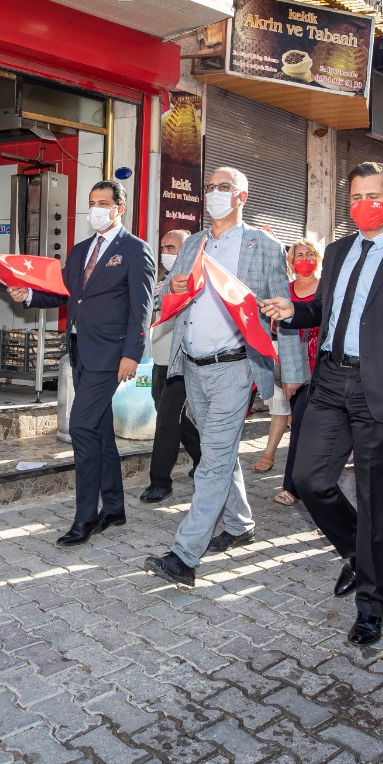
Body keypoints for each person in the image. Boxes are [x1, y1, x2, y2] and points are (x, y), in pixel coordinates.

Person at [260, 162, 383, 646]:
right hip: (330, 380)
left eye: (372, 196)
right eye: (355, 195)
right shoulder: (337, 250)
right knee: (309, 480)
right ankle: (359, 553)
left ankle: (371, 605)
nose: (362, 204)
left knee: (376, 500)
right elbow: (326, 308)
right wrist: (294, 310)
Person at [143, 168, 305, 587]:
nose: (215, 193)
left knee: (211, 462)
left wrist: (293, 373)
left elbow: (282, 308)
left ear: (242, 196)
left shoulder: (264, 245)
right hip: (192, 364)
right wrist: (173, 286)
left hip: (234, 366)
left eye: (224, 187)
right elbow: (166, 293)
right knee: (222, 450)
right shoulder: (194, 242)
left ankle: (184, 556)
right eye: (210, 187)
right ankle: (240, 523)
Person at [11, 181, 154, 546]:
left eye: (104, 203)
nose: (96, 209)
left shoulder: (136, 251)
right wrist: (28, 294)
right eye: (92, 203)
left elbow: (141, 308)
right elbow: (64, 293)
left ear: (120, 208)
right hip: (79, 350)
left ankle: (85, 518)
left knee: (81, 428)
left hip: (111, 355)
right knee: (100, 429)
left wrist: (131, 355)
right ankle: (116, 507)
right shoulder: (79, 252)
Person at [141, 229, 201, 503]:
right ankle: (202, 458)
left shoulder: (194, 282)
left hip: (182, 361)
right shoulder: (161, 283)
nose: (166, 253)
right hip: (160, 360)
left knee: (166, 418)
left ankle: (160, 481)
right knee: (172, 415)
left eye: (172, 247)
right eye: (163, 247)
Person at [273, 237, 323, 506]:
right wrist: (291, 373)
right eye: (298, 255)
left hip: (326, 366)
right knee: (300, 424)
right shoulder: (286, 289)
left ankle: (315, 479)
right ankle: (291, 486)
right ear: (291, 262)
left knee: (322, 426)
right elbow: (281, 330)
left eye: (309, 253)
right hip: (298, 366)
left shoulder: (327, 287)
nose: (304, 259)